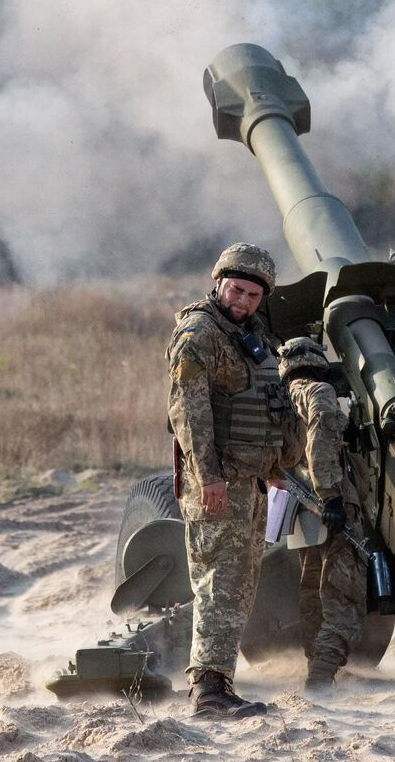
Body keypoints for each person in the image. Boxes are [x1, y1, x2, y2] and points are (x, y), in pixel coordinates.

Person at [166, 242, 287, 720]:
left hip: (248, 482)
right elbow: (189, 414)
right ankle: (208, 694)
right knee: (220, 584)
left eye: (253, 295)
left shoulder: (249, 334)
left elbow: (265, 404)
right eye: (236, 290)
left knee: (237, 586)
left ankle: (216, 681)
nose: (243, 301)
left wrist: (274, 468)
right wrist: (209, 479)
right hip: (217, 484)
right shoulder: (200, 334)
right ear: (218, 284)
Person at [278, 335, 367, 690]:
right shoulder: (318, 393)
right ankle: (321, 676)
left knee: (313, 588)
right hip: (330, 505)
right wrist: (331, 496)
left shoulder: (282, 399)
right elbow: (321, 441)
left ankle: (316, 667)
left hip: (300, 509)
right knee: (345, 593)